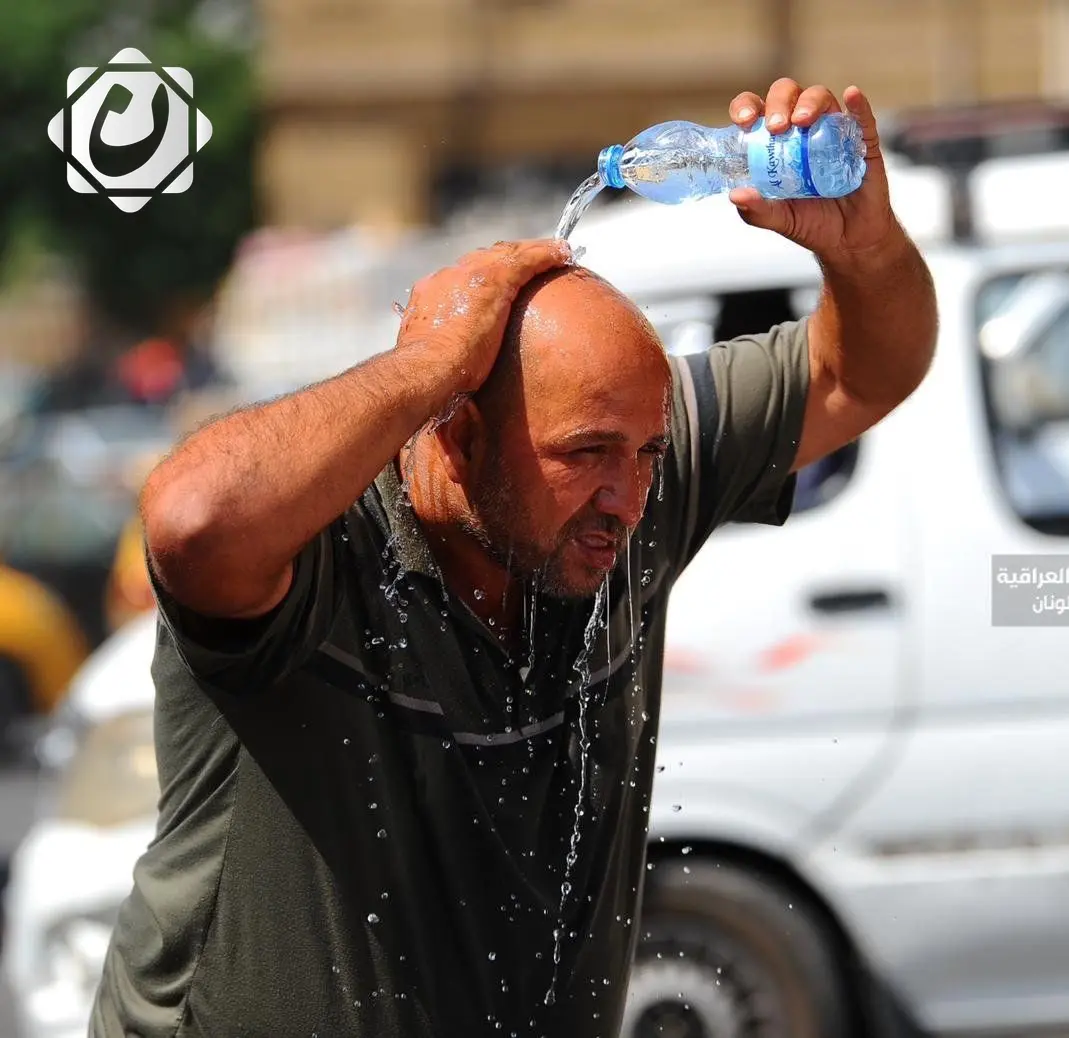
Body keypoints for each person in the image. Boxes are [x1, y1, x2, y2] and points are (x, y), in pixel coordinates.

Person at [89, 79, 938, 1038]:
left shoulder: (631, 464)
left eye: (648, 454)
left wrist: (864, 251)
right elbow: (193, 519)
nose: (626, 495)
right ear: (453, 434)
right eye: (583, 456)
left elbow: (864, 370)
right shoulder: (317, 551)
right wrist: (428, 363)